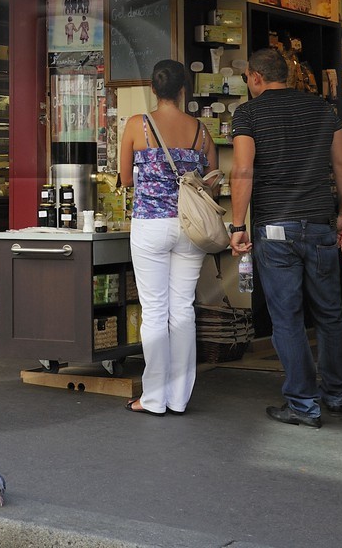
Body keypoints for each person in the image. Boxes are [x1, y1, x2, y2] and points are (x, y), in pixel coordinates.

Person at [226, 46, 342, 428]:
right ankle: (336, 393)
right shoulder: (322, 110)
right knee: (331, 313)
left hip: (275, 227)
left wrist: (237, 226)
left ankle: (303, 403)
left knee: (288, 318)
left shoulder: (248, 113)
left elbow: (243, 171)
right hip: (319, 225)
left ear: (255, 77)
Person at [117, 59, 218, 416]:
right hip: (190, 228)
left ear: (153, 90)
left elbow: (126, 179)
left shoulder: (137, 125)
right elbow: (209, 181)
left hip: (150, 224)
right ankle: (179, 398)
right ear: (183, 90)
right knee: (183, 311)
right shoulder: (201, 132)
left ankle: (154, 398)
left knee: (155, 312)